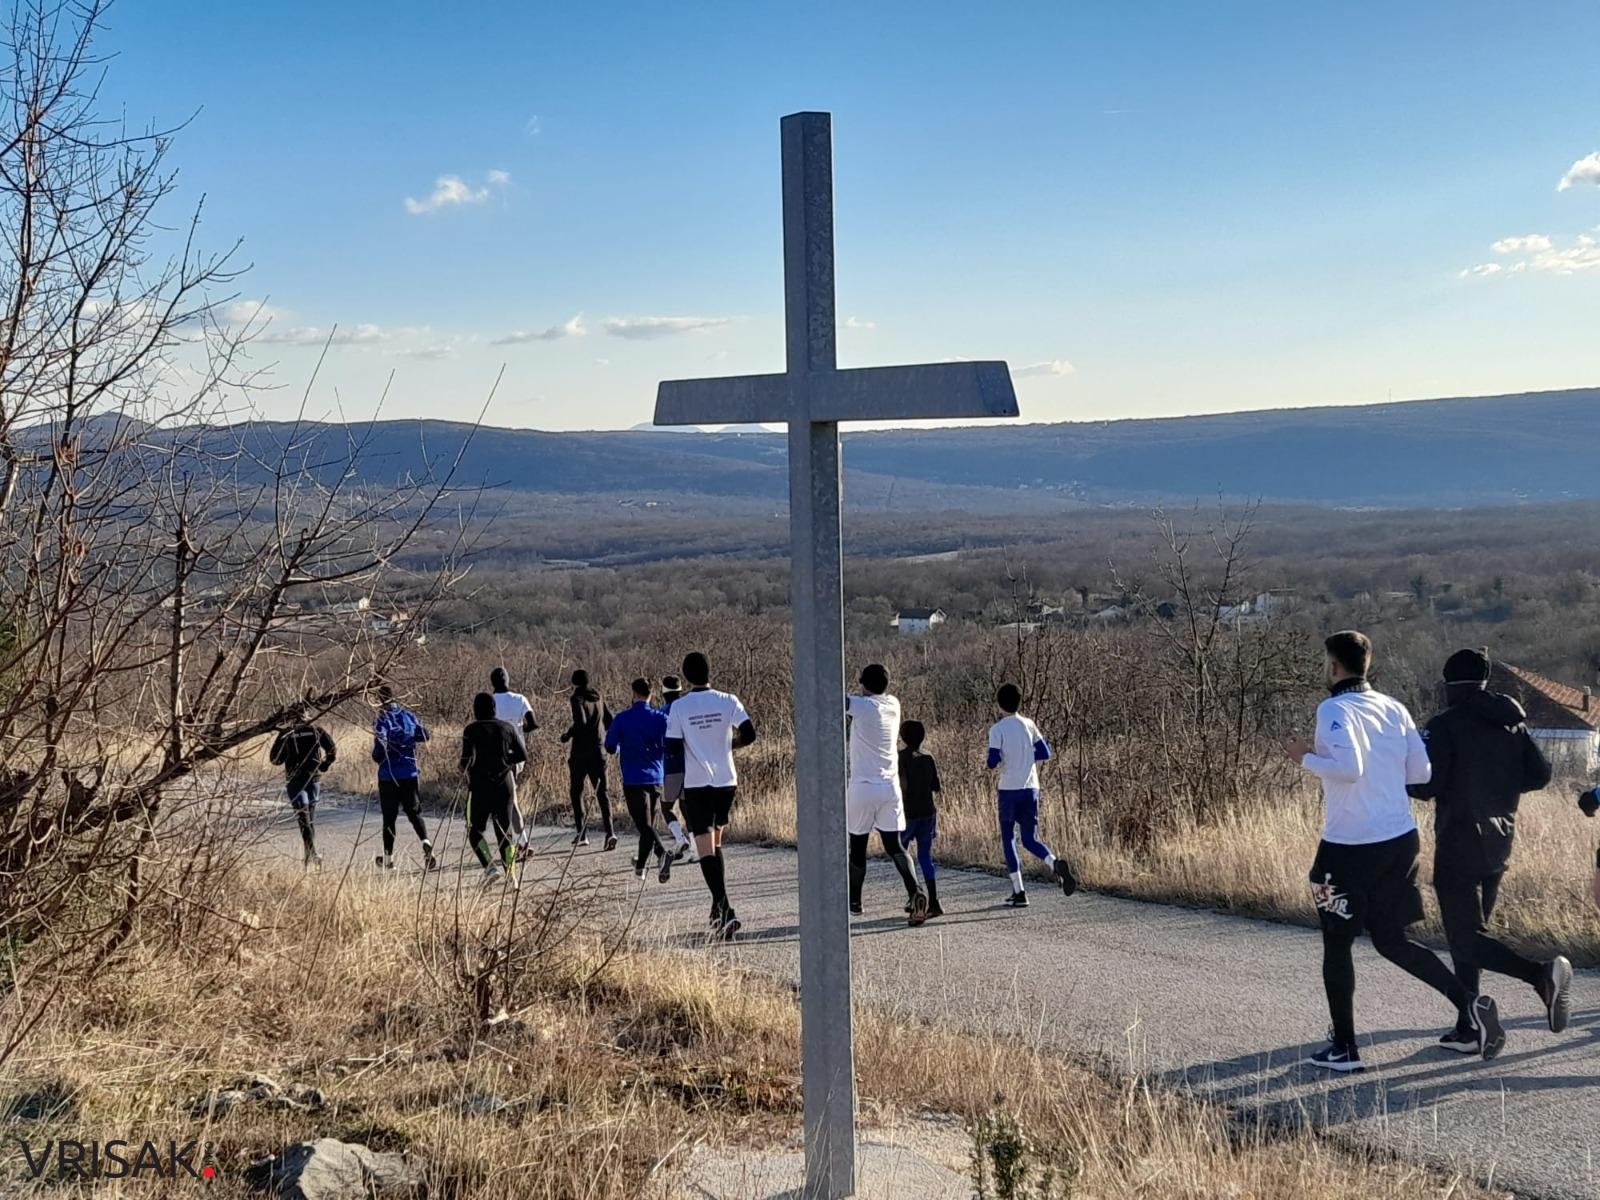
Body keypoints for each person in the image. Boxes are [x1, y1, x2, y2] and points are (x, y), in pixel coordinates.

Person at [1286, 630, 1504, 1072]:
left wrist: (1304, 758)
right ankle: (1469, 1005)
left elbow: (1348, 768)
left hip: (1348, 846)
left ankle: (1345, 1048)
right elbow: (1420, 770)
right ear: (1368, 665)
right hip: (1399, 838)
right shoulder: (1394, 707)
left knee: (1337, 941)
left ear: (1334, 666)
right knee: (1391, 939)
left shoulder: (1333, 708)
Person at [1407, 648, 1573, 1048]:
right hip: (1500, 842)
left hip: (1460, 839)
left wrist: (1403, 775)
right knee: (1472, 935)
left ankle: (1541, 976)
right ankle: (1469, 1026)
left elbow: (1425, 786)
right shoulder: (1511, 723)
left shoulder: (1445, 726)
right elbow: (1539, 776)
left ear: (1450, 684)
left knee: (1465, 939)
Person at [665, 651, 757, 939]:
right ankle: (718, 911)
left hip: (697, 783)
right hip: (726, 781)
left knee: (705, 850)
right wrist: (730, 746)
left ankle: (726, 910)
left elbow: (673, 747)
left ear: (687, 675)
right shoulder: (729, 700)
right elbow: (750, 733)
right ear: (709, 672)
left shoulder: (679, 707)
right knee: (715, 847)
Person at [846, 664, 926, 924]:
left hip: (862, 786)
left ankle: (855, 902)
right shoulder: (893, 704)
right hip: (889, 787)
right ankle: (915, 891)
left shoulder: (862, 707)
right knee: (895, 845)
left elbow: (836, 700)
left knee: (857, 847)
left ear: (864, 685)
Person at [987, 684, 1077, 907]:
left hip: (1009, 788)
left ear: (999, 703)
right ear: (1020, 702)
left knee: (1009, 839)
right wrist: (1026, 757)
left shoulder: (997, 729)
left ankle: (1019, 892)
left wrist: (1003, 760)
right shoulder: (1029, 724)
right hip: (1031, 787)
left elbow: (992, 761)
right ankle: (1053, 862)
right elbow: (1045, 752)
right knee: (1029, 838)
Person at [605, 677, 678, 883]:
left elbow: (610, 747)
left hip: (633, 778)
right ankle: (640, 868)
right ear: (651, 695)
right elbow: (671, 744)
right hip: (656, 776)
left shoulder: (621, 718)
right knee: (648, 825)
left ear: (634, 694)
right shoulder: (660, 718)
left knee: (644, 825)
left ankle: (662, 854)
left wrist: (621, 747)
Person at [460, 691, 527, 886]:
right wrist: (506, 761)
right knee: (504, 831)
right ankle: (512, 875)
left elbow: (466, 760)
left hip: (479, 786)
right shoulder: (507, 728)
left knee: (475, 830)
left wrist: (464, 768)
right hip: (504, 785)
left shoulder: (471, 730)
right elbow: (522, 754)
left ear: (475, 710)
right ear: (494, 709)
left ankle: (490, 867)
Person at [370, 685, 437, 871]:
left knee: (389, 819)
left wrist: (379, 754)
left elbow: (379, 748)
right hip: (410, 773)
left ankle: (388, 858)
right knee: (414, 813)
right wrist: (408, 739)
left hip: (388, 776)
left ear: (379, 701)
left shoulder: (381, 720)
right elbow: (424, 734)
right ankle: (426, 842)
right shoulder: (408, 716)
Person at [270, 709, 337, 869]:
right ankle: (310, 857)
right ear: (308, 716)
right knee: (310, 818)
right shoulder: (316, 730)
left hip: (295, 780)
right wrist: (325, 764)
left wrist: (288, 755)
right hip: (313, 778)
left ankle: (311, 853)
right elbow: (332, 749)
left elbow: (275, 759)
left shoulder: (286, 733)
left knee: (303, 818)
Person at [561, 669, 615, 850]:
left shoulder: (576, 698)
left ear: (574, 683)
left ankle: (582, 833)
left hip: (580, 753)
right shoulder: (598, 697)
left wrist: (568, 734)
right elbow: (609, 720)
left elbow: (580, 722)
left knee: (576, 792)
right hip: (599, 752)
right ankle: (610, 833)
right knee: (603, 793)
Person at [898, 719, 943, 919]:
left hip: (907, 813)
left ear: (902, 737)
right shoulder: (928, 757)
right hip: (928, 812)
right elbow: (936, 786)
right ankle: (934, 901)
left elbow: (899, 785)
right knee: (925, 857)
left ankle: (914, 894)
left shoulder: (900, 758)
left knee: (900, 853)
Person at [489, 667, 537, 848]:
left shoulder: (490, 701)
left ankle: (521, 841)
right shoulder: (520, 699)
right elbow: (533, 723)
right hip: (517, 756)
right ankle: (520, 840)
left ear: (492, 682)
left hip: (496, 757)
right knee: (511, 796)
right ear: (508, 680)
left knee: (508, 800)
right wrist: (519, 732)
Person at [657, 675, 695, 861]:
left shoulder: (663, 712)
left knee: (666, 806)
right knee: (687, 807)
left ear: (663, 692)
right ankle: (696, 848)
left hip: (671, 766)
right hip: (690, 765)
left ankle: (680, 838)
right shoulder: (687, 710)